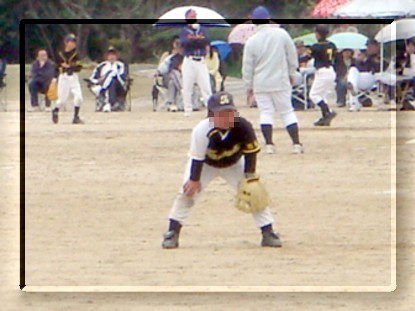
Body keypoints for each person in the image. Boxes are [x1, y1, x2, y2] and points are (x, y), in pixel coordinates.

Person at [161, 91, 282, 249]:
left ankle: (268, 232)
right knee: (186, 194)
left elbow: (251, 153)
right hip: (206, 165)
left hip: (234, 164)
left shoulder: (243, 126)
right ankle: (172, 232)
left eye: (230, 112)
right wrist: (194, 180)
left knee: (254, 194)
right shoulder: (202, 130)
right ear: (211, 115)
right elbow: (197, 158)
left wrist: (249, 176)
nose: (227, 117)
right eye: (221, 113)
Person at [242, 6, 303, 155]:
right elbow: (292, 55)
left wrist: (248, 86)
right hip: (280, 80)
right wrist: (291, 72)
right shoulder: (281, 34)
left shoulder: (251, 41)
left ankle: (269, 144)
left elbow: (247, 66)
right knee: (287, 111)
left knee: (266, 113)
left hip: (260, 83)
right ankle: (296, 144)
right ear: (269, 19)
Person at [179, 8, 212, 117]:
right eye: (191, 17)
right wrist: (197, 39)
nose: (193, 18)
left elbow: (206, 40)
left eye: (194, 16)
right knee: (187, 87)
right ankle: (188, 110)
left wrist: (196, 39)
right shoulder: (184, 31)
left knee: (206, 87)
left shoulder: (202, 29)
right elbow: (185, 43)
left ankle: (210, 110)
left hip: (200, 60)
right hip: (189, 60)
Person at [309, 24, 338, 126]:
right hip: (331, 70)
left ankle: (328, 111)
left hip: (322, 71)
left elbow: (309, 56)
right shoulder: (332, 45)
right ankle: (325, 117)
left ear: (318, 34)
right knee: (322, 95)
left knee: (313, 95)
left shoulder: (316, 46)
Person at [52, 33, 84, 124]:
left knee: (79, 97)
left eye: (74, 42)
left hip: (73, 77)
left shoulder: (76, 54)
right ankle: (55, 110)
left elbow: (78, 67)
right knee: (62, 100)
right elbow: (58, 66)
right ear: (66, 42)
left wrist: (70, 66)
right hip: (64, 77)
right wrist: (56, 76)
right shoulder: (60, 54)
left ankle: (76, 117)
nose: (73, 44)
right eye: (71, 42)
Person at [347, 39, 387, 111]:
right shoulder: (364, 57)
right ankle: (353, 100)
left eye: (370, 47)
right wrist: (359, 61)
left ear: (376, 47)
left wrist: (373, 61)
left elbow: (380, 69)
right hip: (360, 78)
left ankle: (353, 94)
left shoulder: (379, 58)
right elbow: (357, 67)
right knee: (353, 70)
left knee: (353, 78)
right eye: (367, 47)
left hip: (372, 79)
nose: (368, 48)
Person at [89, 46, 128, 112]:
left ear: (116, 56)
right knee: (110, 79)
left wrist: (109, 76)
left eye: (113, 55)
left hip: (118, 86)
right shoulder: (101, 66)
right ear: (106, 56)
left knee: (112, 78)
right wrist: (99, 80)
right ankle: (109, 102)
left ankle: (109, 102)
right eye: (109, 55)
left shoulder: (121, 65)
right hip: (101, 84)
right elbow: (92, 78)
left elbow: (122, 77)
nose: (111, 57)